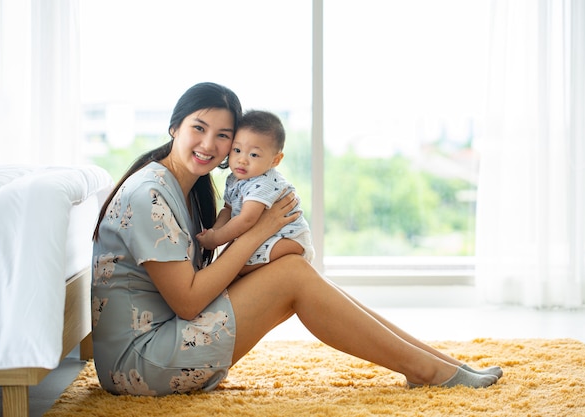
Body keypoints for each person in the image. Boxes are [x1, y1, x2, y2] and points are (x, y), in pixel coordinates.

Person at [91, 81, 502, 397]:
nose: (210, 145)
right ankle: (428, 371)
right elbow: (188, 301)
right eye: (199, 128)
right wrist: (260, 233)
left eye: (223, 136)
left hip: (165, 337)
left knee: (294, 271)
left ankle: (436, 363)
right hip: (140, 364)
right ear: (174, 127)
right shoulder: (149, 194)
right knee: (292, 274)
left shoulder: (187, 186)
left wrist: (257, 238)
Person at [197, 110, 314, 276]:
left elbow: (247, 219)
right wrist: (213, 232)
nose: (242, 159)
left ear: (275, 160)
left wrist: (215, 240)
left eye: (254, 154)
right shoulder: (234, 179)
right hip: (265, 237)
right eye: (237, 150)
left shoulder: (264, 182)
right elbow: (227, 210)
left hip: (288, 240)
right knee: (227, 266)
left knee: (234, 270)